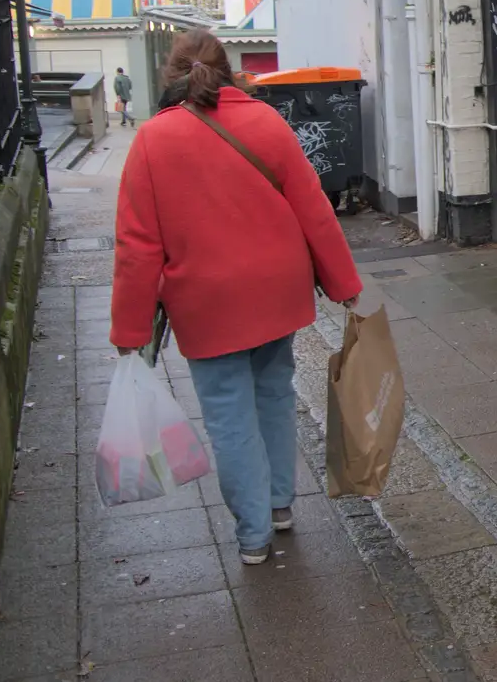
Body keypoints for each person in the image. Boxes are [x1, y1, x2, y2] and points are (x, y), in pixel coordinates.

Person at [110, 30, 362, 564]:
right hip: (277, 291)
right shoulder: (267, 122)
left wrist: (130, 331)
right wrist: (344, 285)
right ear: (229, 70)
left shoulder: (153, 141)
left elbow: (137, 246)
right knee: (274, 393)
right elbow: (313, 208)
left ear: (170, 75)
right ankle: (279, 504)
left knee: (228, 416)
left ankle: (253, 534)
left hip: (207, 304)